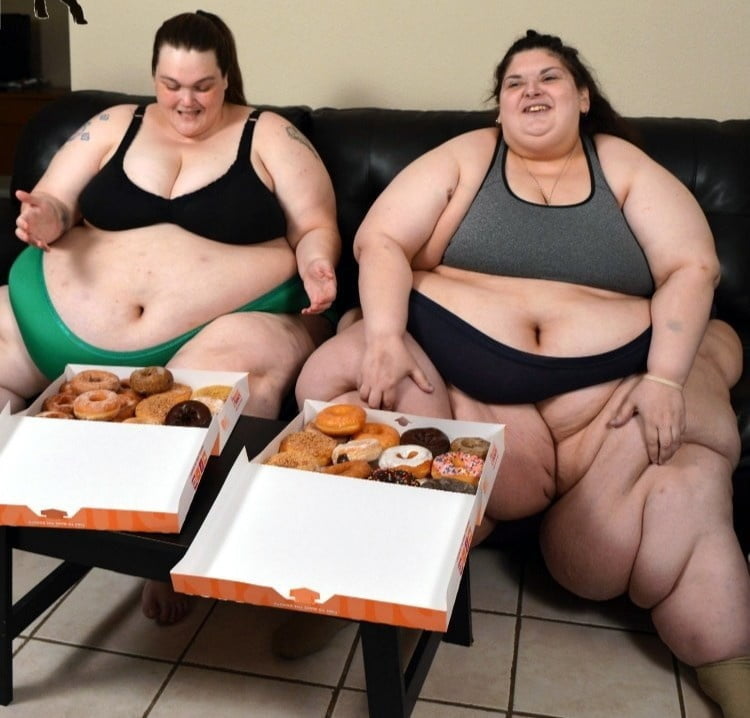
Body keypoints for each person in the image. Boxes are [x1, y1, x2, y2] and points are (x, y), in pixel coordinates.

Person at [295, 30, 749, 716]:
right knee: (348, 378)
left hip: (608, 405)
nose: (531, 90)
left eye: (550, 78)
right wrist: (384, 334)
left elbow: (693, 266)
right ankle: (341, 586)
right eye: (515, 83)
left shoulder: (622, 166)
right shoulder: (467, 157)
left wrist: (662, 379)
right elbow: (381, 239)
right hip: (459, 391)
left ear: (583, 97)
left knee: (683, 470)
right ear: (500, 106)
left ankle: (729, 660)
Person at [1, 11, 340, 624]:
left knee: (217, 388)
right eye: (171, 85)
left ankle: (165, 554)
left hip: (217, 333)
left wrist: (318, 264)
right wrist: (44, 217)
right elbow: (53, 199)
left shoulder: (271, 135)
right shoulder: (114, 124)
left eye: (203, 86)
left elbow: (315, 225)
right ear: (154, 76)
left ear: (227, 76)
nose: (186, 101)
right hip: (55, 324)